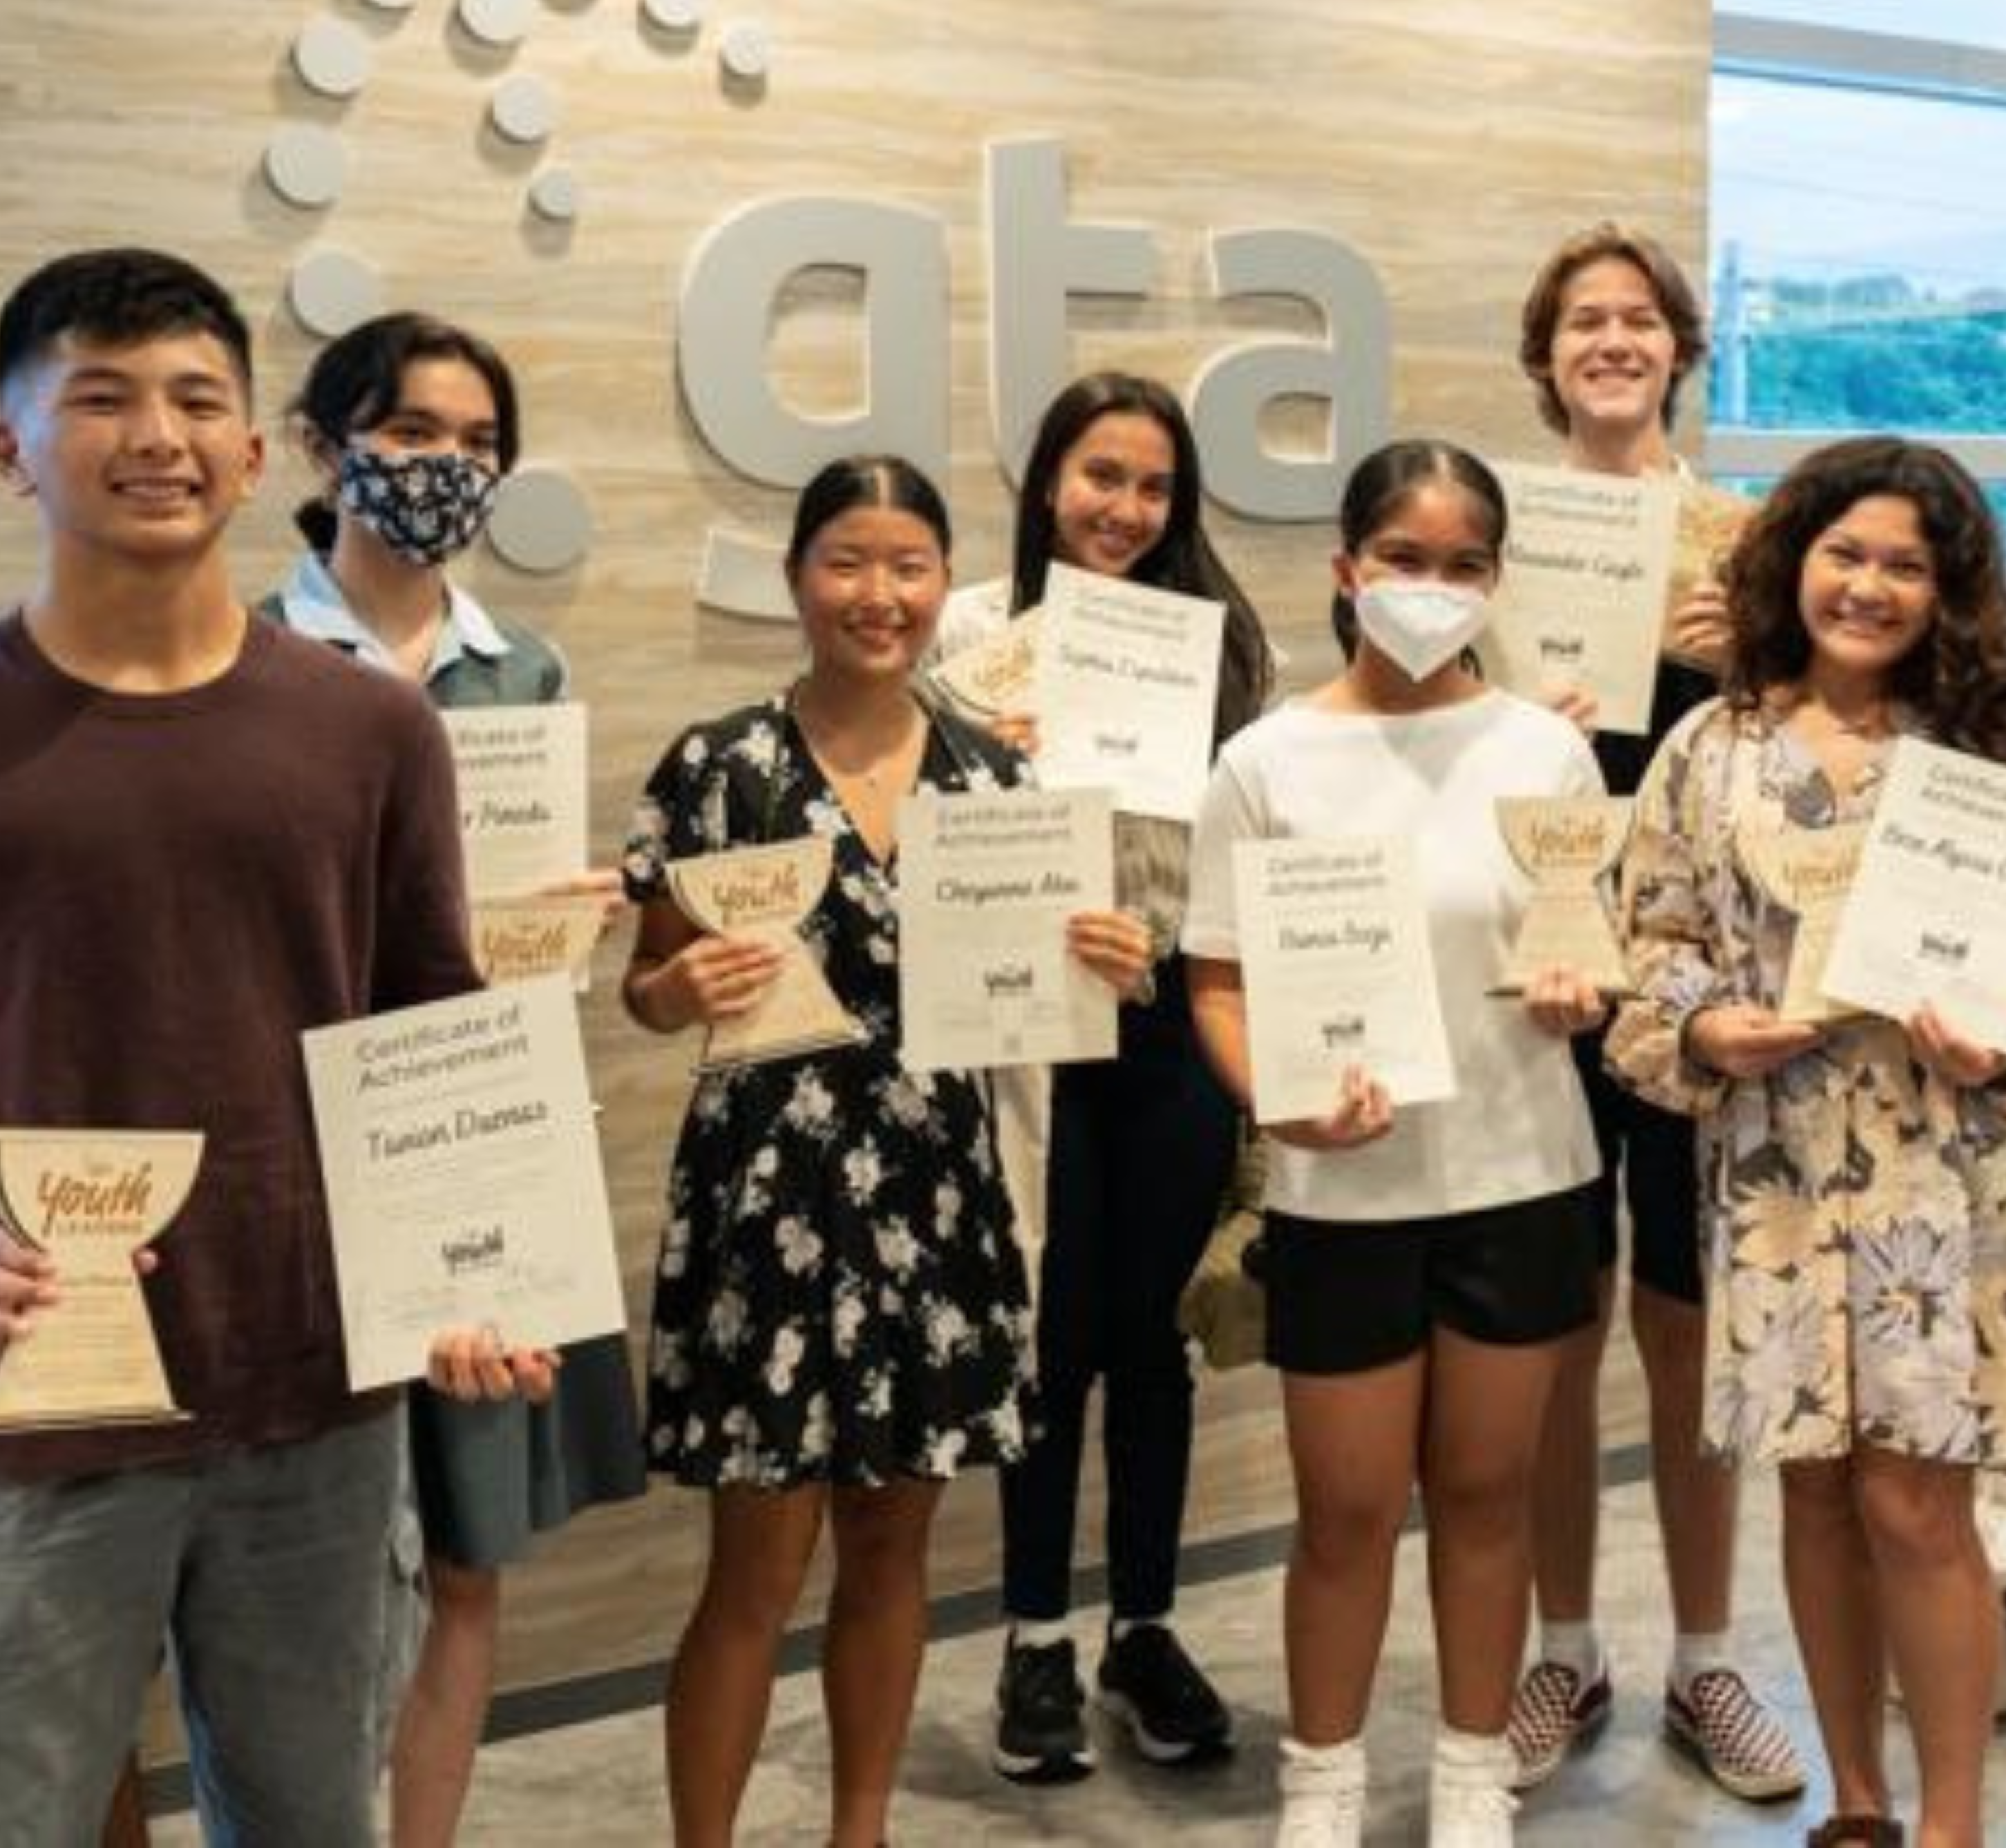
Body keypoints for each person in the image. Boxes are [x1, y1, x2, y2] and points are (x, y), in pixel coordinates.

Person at [0, 246, 549, 1847]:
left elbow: (432, 1028)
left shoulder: (368, 726)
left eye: (194, 398)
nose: (154, 433)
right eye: (99, 396)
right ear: (15, 443)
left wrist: (479, 1270)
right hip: (41, 1398)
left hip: (315, 1392)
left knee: (309, 1818)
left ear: (254, 451)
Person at [617, 454, 1153, 1848]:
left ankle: (864, 1830)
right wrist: (682, 992)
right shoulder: (719, 763)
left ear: (944, 586)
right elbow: (646, 983)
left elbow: (1042, 985)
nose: (879, 594)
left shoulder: (997, 773)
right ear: (800, 577)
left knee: (894, 1546)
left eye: (909, 565)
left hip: (933, 1192)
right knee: (755, 1566)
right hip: (767, 1198)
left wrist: (1104, 959)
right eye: (848, 561)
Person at [1604, 434, 2006, 1848]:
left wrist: (1998, 1039)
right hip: (1771, 1176)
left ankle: (1953, 1822)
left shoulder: (2003, 761)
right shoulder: (1712, 744)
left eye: (1906, 563)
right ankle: (1860, 1807)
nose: (1870, 586)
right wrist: (1705, 1030)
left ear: (1952, 592)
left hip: (1947, 1176)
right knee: (1814, 1488)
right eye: (1846, 553)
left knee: (1918, 1502)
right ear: (1791, 561)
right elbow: (1653, 940)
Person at [1184, 439, 1610, 1848]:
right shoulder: (1265, 760)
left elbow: (1590, 944)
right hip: (1341, 1189)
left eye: (1463, 565)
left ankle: (1476, 1772)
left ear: (1497, 582)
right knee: (1347, 1511)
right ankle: (1324, 1778)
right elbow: (1220, 979)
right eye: (1405, 560)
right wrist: (1275, 1099)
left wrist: (1580, 986)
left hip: (1521, 1174)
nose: (1431, 588)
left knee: (1488, 1497)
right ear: (1348, 570)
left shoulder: (1546, 750)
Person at [257, 309, 647, 1848]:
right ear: (322, 442)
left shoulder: (522, 666)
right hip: (308, 1164)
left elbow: (506, 920)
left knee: (471, 1551)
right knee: (313, 1565)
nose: (446, 470)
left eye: (478, 445)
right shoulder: (252, 661)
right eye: (414, 434)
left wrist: (566, 916)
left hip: (479, 1133)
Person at [931, 372, 1273, 1784]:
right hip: (1030, 1029)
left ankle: (1142, 1625)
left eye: (1153, 486)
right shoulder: (971, 636)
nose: (1126, 510)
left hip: (1172, 1025)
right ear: (1046, 484)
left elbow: (1252, 842)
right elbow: (919, 842)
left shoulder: (1228, 651)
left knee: (1153, 1340)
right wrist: (991, 770)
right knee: (1045, 1340)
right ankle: (1031, 1639)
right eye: (1100, 477)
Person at [1507, 223, 1806, 1804]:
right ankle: (1567, 1642)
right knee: (1553, 1332)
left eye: (1639, 320)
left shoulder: (1748, 541)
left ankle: (1706, 1656)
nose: (1612, 342)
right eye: (1583, 322)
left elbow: (1818, 747)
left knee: (1689, 1331)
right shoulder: (1488, 538)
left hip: (1699, 987)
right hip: (1541, 981)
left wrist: (1743, 660)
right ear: (1545, 355)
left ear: (1680, 348)